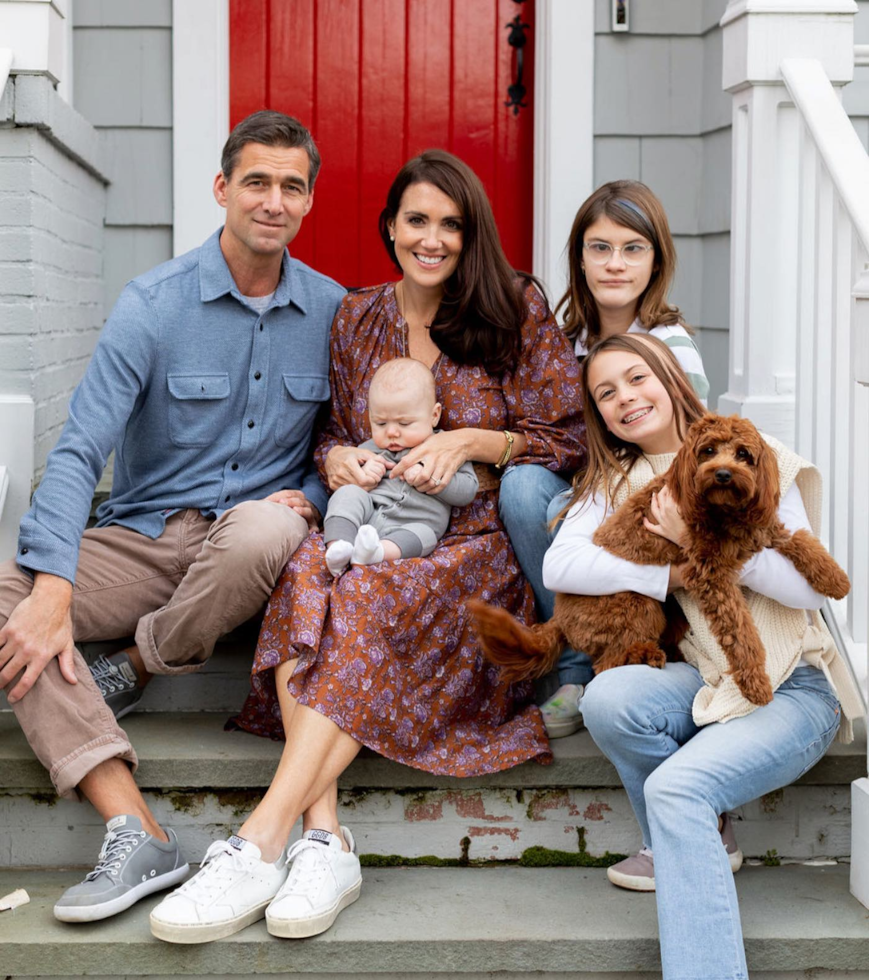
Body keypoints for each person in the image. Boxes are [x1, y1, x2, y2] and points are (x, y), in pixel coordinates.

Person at [147, 149, 585, 944]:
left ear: (470, 230)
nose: (432, 238)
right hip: (372, 519)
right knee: (309, 570)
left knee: (369, 590)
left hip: (469, 539)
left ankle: (259, 839)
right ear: (389, 227)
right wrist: (337, 460)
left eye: (450, 223)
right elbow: (332, 434)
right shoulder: (357, 317)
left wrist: (473, 442)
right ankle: (327, 839)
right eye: (416, 220)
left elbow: (565, 440)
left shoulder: (512, 305)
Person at [0, 110, 344, 923]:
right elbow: (81, 448)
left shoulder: (334, 312)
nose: (273, 200)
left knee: (266, 526)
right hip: (149, 539)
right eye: (256, 181)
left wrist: (316, 497)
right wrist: (52, 584)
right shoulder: (153, 304)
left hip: (256, 553)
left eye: (291, 186)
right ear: (222, 188)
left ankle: (140, 666)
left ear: (308, 203)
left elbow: (352, 445)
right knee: (6, 597)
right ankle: (136, 827)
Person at [543, 333, 863, 980]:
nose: (625, 399)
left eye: (636, 379)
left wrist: (695, 541)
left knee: (675, 789)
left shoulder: (759, 453)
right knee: (609, 698)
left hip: (793, 686)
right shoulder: (611, 483)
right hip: (704, 679)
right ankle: (699, 836)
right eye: (606, 392)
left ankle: (684, 837)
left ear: (668, 377)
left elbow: (808, 585)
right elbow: (561, 561)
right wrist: (674, 577)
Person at [499, 180, 709, 739]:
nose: (615, 264)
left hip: (645, 497)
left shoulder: (669, 343)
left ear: (656, 259)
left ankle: (625, 656)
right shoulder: (565, 341)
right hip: (581, 494)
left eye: (632, 248)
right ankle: (575, 668)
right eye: (600, 248)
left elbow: (687, 446)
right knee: (522, 490)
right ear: (580, 258)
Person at [323, 357, 478, 575]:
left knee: (426, 536)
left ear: (434, 416)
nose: (392, 432)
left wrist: (432, 477)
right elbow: (352, 478)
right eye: (381, 423)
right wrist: (365, 473)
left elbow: (468, 490)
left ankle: (376, 553)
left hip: (414, 524)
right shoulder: (370, 448)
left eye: (404, 423)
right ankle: (339, 546)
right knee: (347, 494)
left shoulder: (445, 449)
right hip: (368, 514)